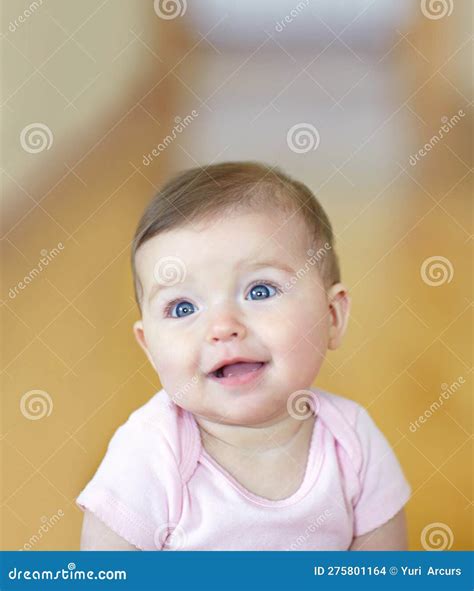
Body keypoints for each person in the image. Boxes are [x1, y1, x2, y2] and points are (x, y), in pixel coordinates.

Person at [77, 161, 410, 550]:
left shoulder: (351, 442)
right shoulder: (148, 455)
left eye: (260, 291)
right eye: (183, 308)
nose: (223, 327)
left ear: (332, 316)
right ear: (149, 348)